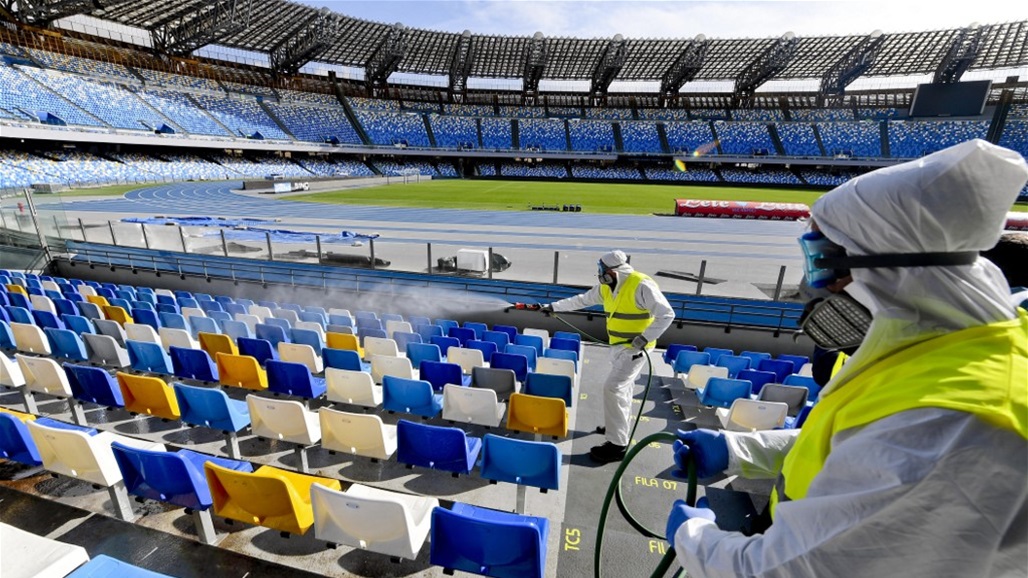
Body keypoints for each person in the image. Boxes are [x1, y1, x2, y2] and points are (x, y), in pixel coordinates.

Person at [664, 139, 1028, 577]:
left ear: (885, 267)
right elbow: (861, 449)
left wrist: (695, 538)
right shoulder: (941, 354)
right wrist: (737, 449)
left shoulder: (954, 422)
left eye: (820, 261)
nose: (813, 286)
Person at [542, 250, 674, 463]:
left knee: (613, 388)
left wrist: (643, 338)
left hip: (636, 350)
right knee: (624, 389)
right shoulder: (606, 287)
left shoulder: (641, 285)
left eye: (601, 270)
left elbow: (666, 314)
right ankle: (616, 427)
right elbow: (582, 300)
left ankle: (617, 446)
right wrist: (553, 307)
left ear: (612, 271)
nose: (598, 273)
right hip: (618, 347)